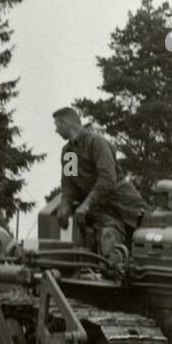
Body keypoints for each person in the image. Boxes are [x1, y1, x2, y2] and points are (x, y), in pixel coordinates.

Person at [53, 106, 147, 256]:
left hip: (124, 204)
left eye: (57, 125)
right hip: (100, 210)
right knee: (106, 241)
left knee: (146, 240)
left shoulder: (96, 143)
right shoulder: (68, 152)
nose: (56, 131)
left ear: (65, 123)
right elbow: (69, 185)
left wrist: (86, 205)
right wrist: (65, 206)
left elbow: (107, 179)